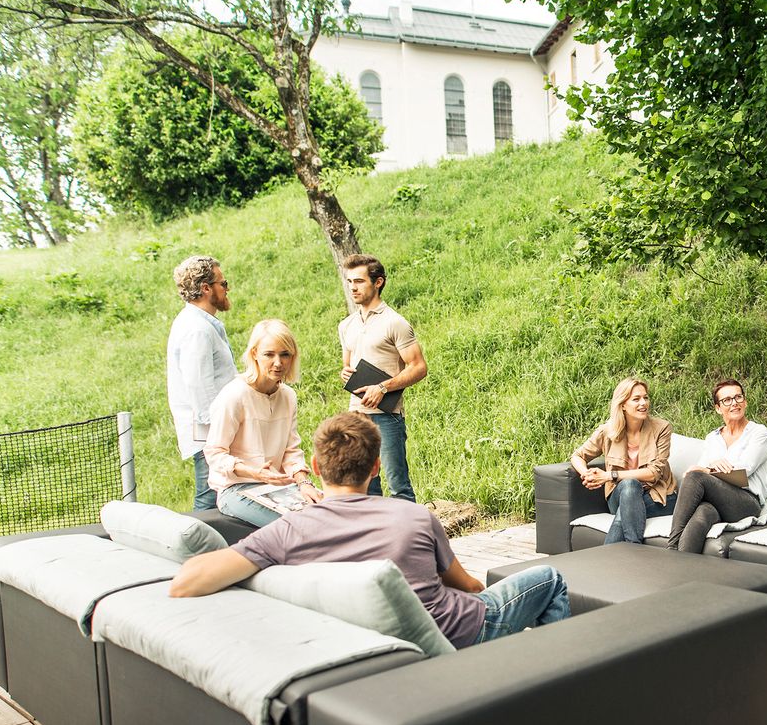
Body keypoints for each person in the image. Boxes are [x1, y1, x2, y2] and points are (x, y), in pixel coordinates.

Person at [171, 412, 570, 646]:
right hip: (457, 631)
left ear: (314, 466)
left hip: (374, 643)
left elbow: (186, 582)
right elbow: (466, 586)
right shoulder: (413, 516)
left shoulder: (288, 530)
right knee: (549, 579)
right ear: (376, 467)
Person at [204, 319, 323, 527]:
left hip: (277, 487)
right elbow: (214, 454)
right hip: (237, 489)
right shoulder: (235, 395)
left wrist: (304, 483)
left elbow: (291, 449)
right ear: (254, 354)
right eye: (269, 354)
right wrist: (254, 472)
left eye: (284, 354)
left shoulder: (288, 396)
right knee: (298, 527)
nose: (278, 363)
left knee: (330, 514)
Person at [339, 254, 427, 502]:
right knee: (366, 487)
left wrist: (382, 387)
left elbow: (419, 367)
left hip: (387, 417)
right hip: (357, 416)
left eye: (359, 281)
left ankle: (408, 537)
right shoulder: (346, 325)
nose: (353, 287)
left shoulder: (395, 322)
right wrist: (344, 372)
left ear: (378, 282)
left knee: (399, 486)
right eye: (350, 282)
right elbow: (347, 367)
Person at [667, 379, 767, 554]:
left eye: (738, 397)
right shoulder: (713, 438)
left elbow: (743, 472)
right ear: (718, 408)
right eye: (727, 400)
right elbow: (695, 471)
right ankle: (682, 569)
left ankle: (671, 547)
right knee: (702, 515)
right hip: (718, 502)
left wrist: (708, 470)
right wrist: (703, 470)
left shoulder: (758, 433)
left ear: (745, 401)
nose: (734, 403)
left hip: (747, 503)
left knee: (696, 478)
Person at [570, 377, 678, 545]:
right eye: (636, 399)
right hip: (620, 495)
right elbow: (577, 456)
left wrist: (608, 476)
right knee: (630, 486)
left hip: (658, 496)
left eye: (646, 397)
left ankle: (628, 550)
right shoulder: (608, 431)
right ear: (622, 405)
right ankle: (631, 553)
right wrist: (587, 474)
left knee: (625, 512)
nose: (643, 403)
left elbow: (654, 473)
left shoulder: (662, 428)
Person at [166, 255, 236, 510]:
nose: (227, 288)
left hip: (212, 428)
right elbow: (200, 387)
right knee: (209, 498)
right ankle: (197, 549)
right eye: (223, 283)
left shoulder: (202, 323)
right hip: (209, 431)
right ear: (206, 288)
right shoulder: (196, 329)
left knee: (216, 494)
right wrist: (219, 434)